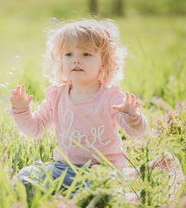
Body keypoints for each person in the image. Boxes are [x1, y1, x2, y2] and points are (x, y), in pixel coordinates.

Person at [9, 18, 147, 191]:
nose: (76, 60)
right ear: (59, 60)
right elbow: (34, 129)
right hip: (65, 169)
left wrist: (133, 117)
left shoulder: (110, 97)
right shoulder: (56, 96)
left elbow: (137, 132)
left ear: (104, 62)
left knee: (101, 188)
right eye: (68, 54)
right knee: (26, 176)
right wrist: (20, 110)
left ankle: (94, 193)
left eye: (86, 54)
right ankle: (75, 194)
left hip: (104, 170)